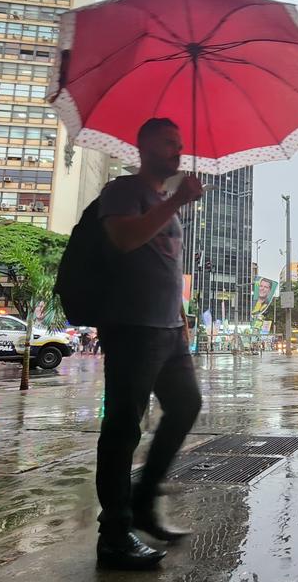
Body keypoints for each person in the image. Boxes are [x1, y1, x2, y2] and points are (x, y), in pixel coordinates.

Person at [93, 118, 204, 570]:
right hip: (130, 325)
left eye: (179, 145)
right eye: (167, 144)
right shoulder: (123, 191)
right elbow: (124, 239)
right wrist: (177, 198)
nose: (176, 151)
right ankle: (114, 534)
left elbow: (167, 271)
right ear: (143, 146)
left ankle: (143, 498)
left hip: (166, 329)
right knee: (123, 426)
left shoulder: (165, 202)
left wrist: (181, 322)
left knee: (186, 405)